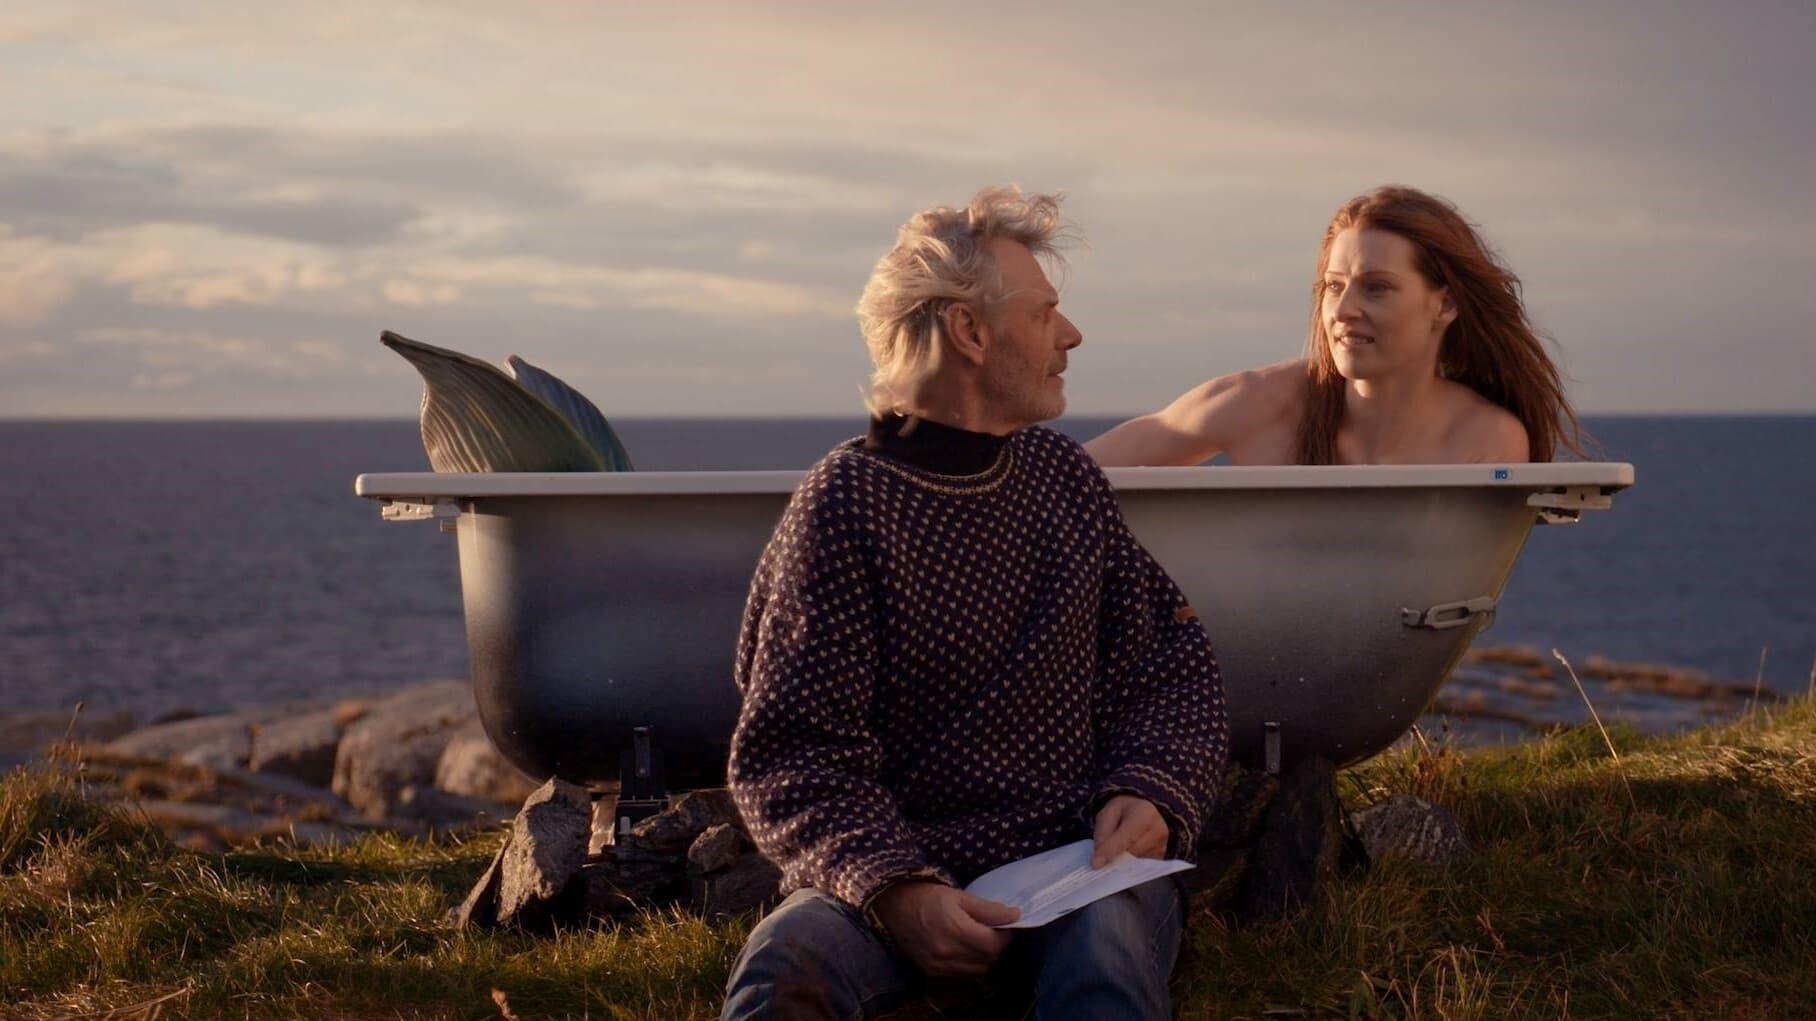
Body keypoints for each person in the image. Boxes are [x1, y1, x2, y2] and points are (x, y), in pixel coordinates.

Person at [719, 186, 1229, 1021]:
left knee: (1103, 960)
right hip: (886, 879)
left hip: (1076, 870)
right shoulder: (845, 505)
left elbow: (1171, 665)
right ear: (969, 331)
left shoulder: (1064, 481)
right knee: (787, 964)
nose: (1071, 336)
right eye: (1047, 314)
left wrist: (1152, 789)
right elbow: (791, 755)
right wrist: (898, 890)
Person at [1086, 185, 1583, 467]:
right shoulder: (1260, 403)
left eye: (1377, 287)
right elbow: (1072, 477)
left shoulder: (1483, 437)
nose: (1343, 311)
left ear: (1445, 304)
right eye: (1334, 285)